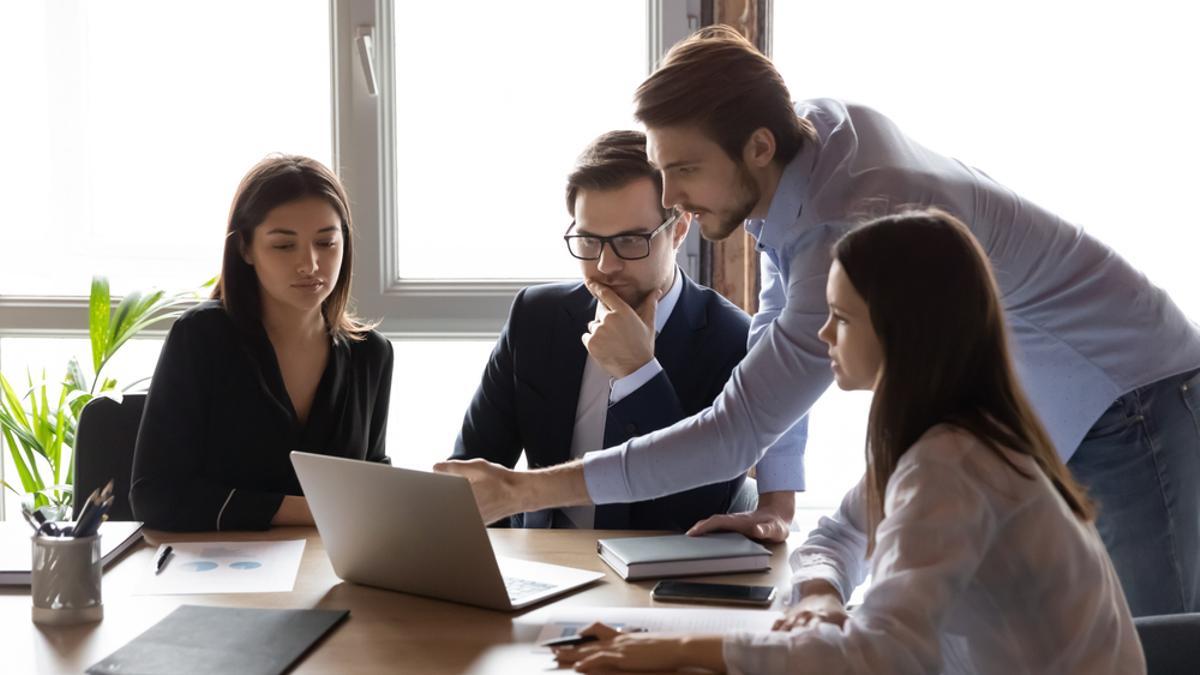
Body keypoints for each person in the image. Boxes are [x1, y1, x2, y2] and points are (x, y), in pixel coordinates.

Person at [436, 26, 1200, 616]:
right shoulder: (816, 143)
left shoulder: (850, 220)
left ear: (758, 147)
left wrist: (520, 489)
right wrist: (779, 501)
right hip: (1050, 395)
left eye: (684, 170)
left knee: (1153, 638)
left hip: (1129, 389)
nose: (670, 198)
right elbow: (781, 340)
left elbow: (735, 425)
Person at [554, 210, 1144, 674]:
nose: (822, 332)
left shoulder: (953, 463)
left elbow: (879, 658)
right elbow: (834, 538)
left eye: (841, 316)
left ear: (899, 331)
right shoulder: (945, 436)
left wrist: (676, 649)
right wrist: (817, 595)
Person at [451, 130, 777, 530]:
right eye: (589, 241)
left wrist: (639, 374)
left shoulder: (732, 340)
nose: (605, 265)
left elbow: (691, 513)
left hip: (651, 584)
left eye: (629, 240)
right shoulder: (536, 316)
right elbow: (470, 474)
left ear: (679, 228)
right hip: (538, 568)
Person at [130, 155, 393, 531]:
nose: (310, 264)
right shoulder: (202, 338)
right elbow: (155, 495)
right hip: (217, 573)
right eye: (284, 246)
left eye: (326, 242)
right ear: (245, 249)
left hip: (330, 573)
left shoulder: (371, 354)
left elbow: (372, 489)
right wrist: (311, 512)